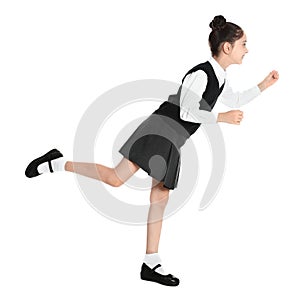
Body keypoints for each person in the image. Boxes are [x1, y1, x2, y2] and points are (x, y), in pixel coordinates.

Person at [25, 15, 279, 287]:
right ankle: (57, 163)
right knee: (119, 180)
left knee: (156, 195)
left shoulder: (221, 78)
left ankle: (150, 263)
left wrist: (265, 84)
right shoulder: (201, 73)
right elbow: (187, 110)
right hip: (161, 129)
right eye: (243, 43)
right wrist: (221, 118)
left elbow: (236, 99)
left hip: (174, 137)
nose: (247, 49)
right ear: (227, 47)